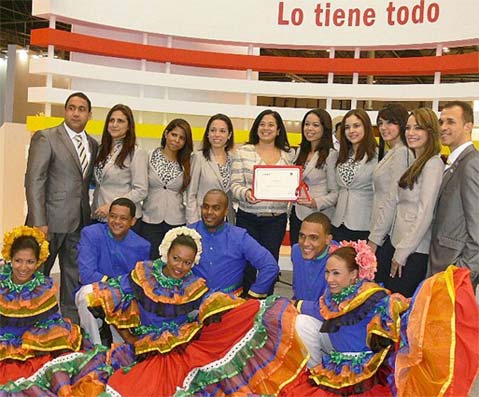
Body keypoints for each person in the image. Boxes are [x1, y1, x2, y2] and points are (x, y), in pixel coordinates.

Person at [87, 227, 307, 396]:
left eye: (187, 263)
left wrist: (253, 306)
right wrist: (129, 339)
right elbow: (112, 299)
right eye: (176, 258)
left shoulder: (195, 285)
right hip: (143, 344)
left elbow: (214, 303)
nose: (179, 266)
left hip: (179, 346)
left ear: (193, 264)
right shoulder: (144, 272)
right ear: (166, 252)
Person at [286, 241, 408, 397]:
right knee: (302, 322)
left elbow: (393, 315)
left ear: (354, 274)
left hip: (361, 360)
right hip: (336, 346)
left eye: (336, 273)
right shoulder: (334, 291)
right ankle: (317, 371)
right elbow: (320, 309)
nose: (329, 279)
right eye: (327, 272)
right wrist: (295, 304)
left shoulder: (371, 294)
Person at [24, 92, 99, 323]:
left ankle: (69, 327)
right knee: (37, 276)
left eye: (81, 109)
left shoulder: (93, 144)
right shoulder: (46, 137)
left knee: (72, 278)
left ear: (89, 114)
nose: (76, 113)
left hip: (79, 223)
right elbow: (34, 179)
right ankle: (30, 322)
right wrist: (38, 220)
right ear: (65, 111)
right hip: (48, 221)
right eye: (71, 108)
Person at [368, 108, 443, 297]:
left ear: (430, 132)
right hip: (400, 245)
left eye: (418, 128)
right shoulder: (417, 162)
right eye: (408, 127)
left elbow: (425, 213)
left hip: (413, 251)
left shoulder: (433, 163)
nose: (411, 133)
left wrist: (402, 252)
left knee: (400, 309)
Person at [0, 226, 82, 384]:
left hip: (33, 341)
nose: (23, 268)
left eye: (30, 262)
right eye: (18, 261)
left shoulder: (42, 287)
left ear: (38, 262)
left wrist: (30, 341)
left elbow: (50, 322)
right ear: (10, 258)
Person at [231, 109, 295, 293]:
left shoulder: (288, 155)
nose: (266, 128)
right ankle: (245, 306)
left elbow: (293, 183)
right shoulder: (243, 152)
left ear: (278, 130)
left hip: (276, 219)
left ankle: (266, 305)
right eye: (262, 124)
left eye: (271, 125)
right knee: (247, 264)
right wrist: (246, 193)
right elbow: (234, 185)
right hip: (248, 217)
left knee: (270, 264)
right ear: (256, 127)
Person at [75, 197, 151, 345]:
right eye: (113, 216)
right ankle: (95, 346)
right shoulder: (91, 234)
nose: (116, 222)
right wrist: (114, 287)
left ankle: (120, 346)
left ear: (132, 221)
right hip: (98, 289)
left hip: (126, 298)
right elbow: (86, 274)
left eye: (123, 218)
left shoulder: (142, 246)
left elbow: (139, 280)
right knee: (85, 295)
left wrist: (121, 291)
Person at [189, 189, 279, 297]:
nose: (209, 212)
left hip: (230, 304)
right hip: (193, 304)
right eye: (206, 207)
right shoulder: (188, 233)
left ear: (226, 211)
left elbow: (270, 266)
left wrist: (253, 296)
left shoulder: (239, 237)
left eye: (216, 208)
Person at [429, 101, 479, 290]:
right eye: (441, 122)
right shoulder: (455, 162)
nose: (443, 127)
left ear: (468, 126)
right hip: (441, 265)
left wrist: (462, 273)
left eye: (450, 122)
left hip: (454, 272)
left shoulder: (472, 164)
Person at [137, 118, 193, 259]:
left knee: (171, 264)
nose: (176, 140)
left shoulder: (188, 162)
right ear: (166, 133)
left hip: (176, 221)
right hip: (150, 220)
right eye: (174, 134)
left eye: (182, 138)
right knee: (150, 263)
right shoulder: (149, 156)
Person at [368, 104, 412, 284]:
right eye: (380, 123)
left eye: (390, 122)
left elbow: (393, 198)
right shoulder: (392, 152)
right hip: (382, 230)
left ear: (401, 124)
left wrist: (375, 240)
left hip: (386, 234)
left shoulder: (402, 152)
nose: (384, 127)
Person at [92, 104, 148, 223]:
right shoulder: (100, 150)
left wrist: (113, 206)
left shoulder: (137, 153)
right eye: (111, 120)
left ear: (129, 126)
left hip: (123, 220)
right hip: (99, 215)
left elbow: (141, 190)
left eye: (120, 121)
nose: (114, 124)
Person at [289, 109, 338, 246]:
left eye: (315, 125)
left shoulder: (331, 155)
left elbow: (335, 193)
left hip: (319, 217)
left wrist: (315, 202)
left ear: (325, 128)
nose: (309, 128)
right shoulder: (300, 152)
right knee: (298, 256)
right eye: (307, 124)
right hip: (297, 214)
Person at [331, 109, 378, 242]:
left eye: (356, 126)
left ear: (366, 127)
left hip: (363, 225)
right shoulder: (342, 156)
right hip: (338, 223)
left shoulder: (378, 157)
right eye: (347, 127)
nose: (351, 131)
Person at [186, 113, 235, 224]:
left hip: (226, 221)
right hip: (202, 219)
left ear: (229, 135)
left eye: (222, 131)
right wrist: (193, 224)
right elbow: (191, 195)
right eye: (213, 130)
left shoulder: (234, 159)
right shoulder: (198, 157)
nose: (217, 134)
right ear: (207, 134)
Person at [292, 212, 336, 302]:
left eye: (313, 238)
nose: (305, 243)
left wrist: (299, 305)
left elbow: (333, 303)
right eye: (302, 236)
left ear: (328, 239)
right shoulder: (296, 250)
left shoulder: (338, 258)